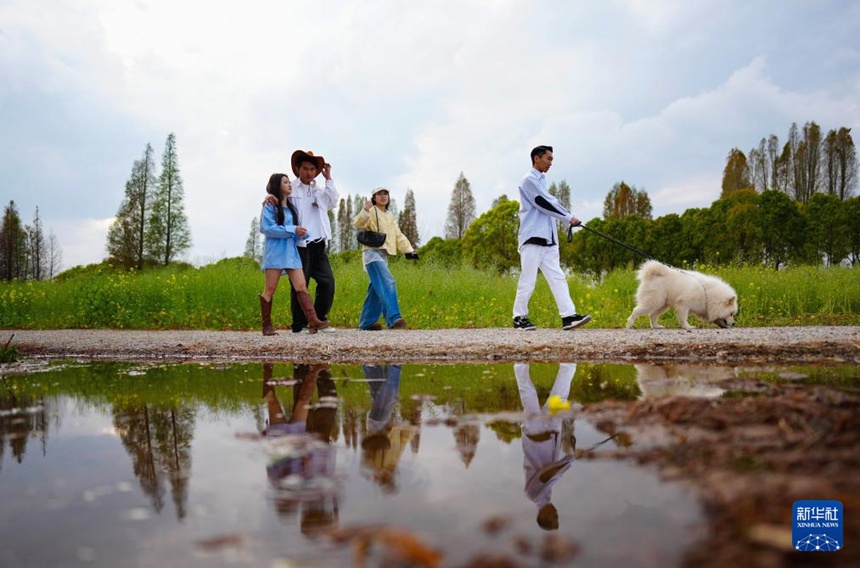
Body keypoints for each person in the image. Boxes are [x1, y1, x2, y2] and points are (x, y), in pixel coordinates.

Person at [513, 145, 591, 331]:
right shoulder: (529, 180)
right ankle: (519, 318)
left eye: (552, 160)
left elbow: (547, 205)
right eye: (548, 159)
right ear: (536, 158)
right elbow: (544, 203)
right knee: (528, 280)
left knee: (558, 277)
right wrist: (569, 217)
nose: (551, 163)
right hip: (532, 238)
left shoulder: (541, 180)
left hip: (548, 240)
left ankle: (568, 316)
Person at [259, 173, 329, 335]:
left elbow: (292, 232)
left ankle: (313, 320)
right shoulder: (270, 206)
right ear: (276, 185)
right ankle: (266, 326)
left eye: (289, 182)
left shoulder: (291, 209)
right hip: (275, 254)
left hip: (291, 253)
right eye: (285, 182)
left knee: (301, 286)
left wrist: (302, 234)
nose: (289, 184)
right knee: (270, 289)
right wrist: (293, 229)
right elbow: (267, 229)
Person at [514, 362, 577, 531]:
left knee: (528, 395)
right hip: (552, 433)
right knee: (560, 398)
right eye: (557, 516)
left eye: (553, 517)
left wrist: (569, 461)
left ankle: (520, 363)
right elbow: (551, 473)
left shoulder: (534, 496)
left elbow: (546, 475)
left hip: (536, 434)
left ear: (543, 517)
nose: (556, 513)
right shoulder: (546, 496)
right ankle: (568, 364)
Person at [288, 150, 339, 333]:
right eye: (305, 169)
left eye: (312, 169)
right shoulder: (291, 189)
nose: (309, 172)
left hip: (318, 243)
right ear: (298, 169)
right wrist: (269, 198)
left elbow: (333, 201)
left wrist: (328, 178)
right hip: (300, 244)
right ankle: (299, 324)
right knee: (300, 285)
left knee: (328, 282)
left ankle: (318, 319)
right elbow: (278, 202)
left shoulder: (319, 191)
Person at [353, 187, 418, 330]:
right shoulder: (371, 210)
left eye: (385, 194)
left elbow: (398, 235)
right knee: (388, 281)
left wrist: (408, 250)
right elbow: (358, 223)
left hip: (383, 254)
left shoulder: (389, 216)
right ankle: (394, 318)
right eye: (379, 194)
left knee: (376, 290)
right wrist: (365, 209)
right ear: (374, 197)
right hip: (371, 254)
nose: (383, 196)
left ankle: (366, 323)